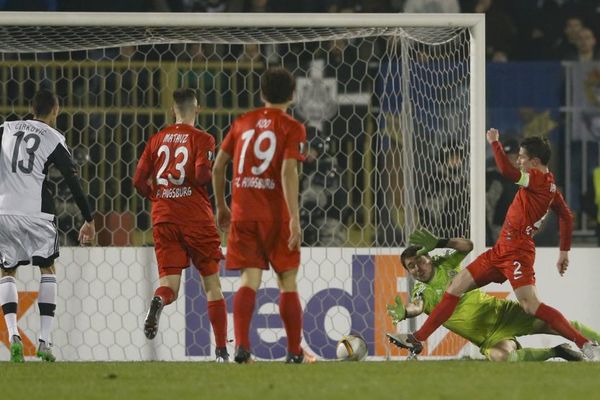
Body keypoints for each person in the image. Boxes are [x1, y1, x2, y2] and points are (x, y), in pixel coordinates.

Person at [388, 129, 600, 361]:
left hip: (517, 252)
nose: (518, 160)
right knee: (455, 287)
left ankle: (585, 343)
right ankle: (418, 339)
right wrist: (564, 252)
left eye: (522, 157)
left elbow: (506, 170)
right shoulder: (550, 188)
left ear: (535, 162)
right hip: (500, 250)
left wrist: (494, 143)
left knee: (531, 306)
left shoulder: (538, 179)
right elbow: (567, 216)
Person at [212, 67, 313, 364]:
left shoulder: (243, 122)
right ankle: (294, 352)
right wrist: (295, 217)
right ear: (292, 95)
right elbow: (288, 171)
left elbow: (218, 167)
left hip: (243, 214)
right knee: (288, 282)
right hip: (276, 216)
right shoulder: (293, 127)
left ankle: (242, 348)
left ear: (261, 93)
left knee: (248, 281)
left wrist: (221, 206)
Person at [387, 230, 600, 361]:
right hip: (489, 338)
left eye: (420, 260)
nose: (417, 268)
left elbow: (467, 246)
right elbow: (417, 306)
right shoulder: (421, 292)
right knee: (502, 357)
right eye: (411, 266)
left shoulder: (446, 264)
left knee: (561, 326)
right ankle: (557, 353)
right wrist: (406, 312)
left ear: (429, 258)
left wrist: (441, 242)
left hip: (503, 314)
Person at [133, 88, 228, 362]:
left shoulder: (156, 139)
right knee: (212, 285)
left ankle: (158, 301)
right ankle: (221, 352)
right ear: (197, 109)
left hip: (163, 217)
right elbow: (200, 175)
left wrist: (158, 196)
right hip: (196, 217)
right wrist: (209, 165)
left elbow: (138, 181)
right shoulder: (203, 138)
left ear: (173, 109)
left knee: (169, 287)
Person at [0, 89, 96, 362]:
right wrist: (89, 218)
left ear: (31, 108)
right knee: (47, 269)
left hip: (4, 212)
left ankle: (12, 335)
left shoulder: (5, 129)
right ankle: (44, 342)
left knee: (7, 270)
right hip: (37, 214)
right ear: (55, 111)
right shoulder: (54, 138)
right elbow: (72, 180)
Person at [486, 137, 519, 245]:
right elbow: (487, 209)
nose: (512, 161)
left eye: (515, 157)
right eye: (508, 157)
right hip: (498, 232)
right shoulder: (494, 178)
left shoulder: (527, 179)